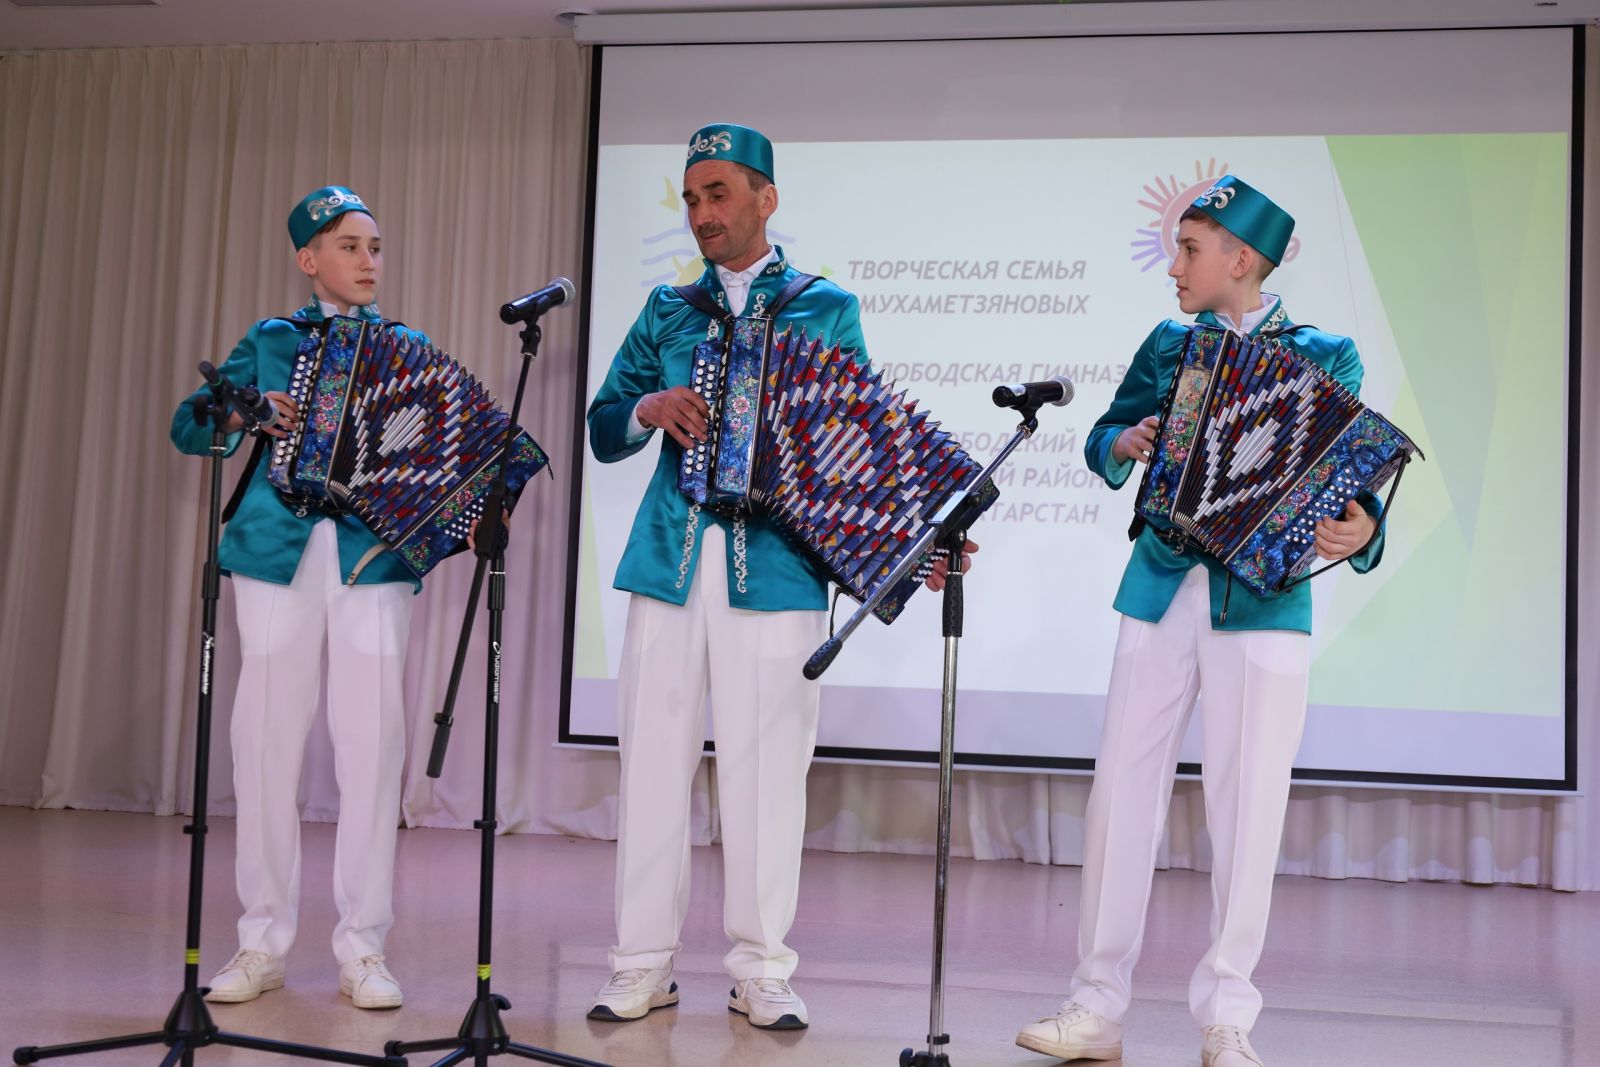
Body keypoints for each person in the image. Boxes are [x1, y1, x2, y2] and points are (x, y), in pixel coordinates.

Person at [585, 122, 971, 1031]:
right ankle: (641, 962)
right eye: (691, 198)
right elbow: (604, 427)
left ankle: (761, 967)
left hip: (780, 568)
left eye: (718, 193)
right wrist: (647, 405)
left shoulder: (823, 306)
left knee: (768, 775)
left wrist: (916, 540)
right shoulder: (666, 310)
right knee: (651, 766)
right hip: (670, 561)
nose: (701, 213)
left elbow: (861, 444)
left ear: (766, 198)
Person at [1014, 176, 1384, 1067]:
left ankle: (1228, 1015)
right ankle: (1094, 1005)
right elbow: (1104, 434)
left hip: (1264, 599)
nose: (1173, 267)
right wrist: (1123, 442)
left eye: (1189, 250)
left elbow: (1347, 473)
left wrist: (1364, 528)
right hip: (1160, 583)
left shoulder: (1327, 354)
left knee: (1249, 804)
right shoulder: (1169, 344)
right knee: (1120, 795)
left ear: (1241, 258)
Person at [169, 186, 424, 1010]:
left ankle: (364, 947)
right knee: (266, 742)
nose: (368, 260)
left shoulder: (407, 347)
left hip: (370, 556)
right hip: (275, 550)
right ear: (309, 259)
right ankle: (261, 940)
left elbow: (430, 447)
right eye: (350, 246)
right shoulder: (272, 339)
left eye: (375, 247)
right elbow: (190, 425)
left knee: (373, 745)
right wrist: (243, 413)